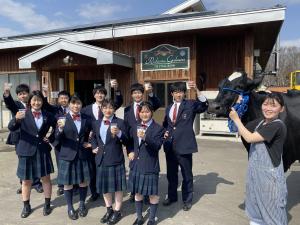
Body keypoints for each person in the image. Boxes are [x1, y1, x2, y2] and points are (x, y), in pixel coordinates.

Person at [229, 92, 288, 225]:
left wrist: (236, 119)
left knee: (273, 216)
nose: (268, 108)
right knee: (256, 215)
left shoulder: (277, 125)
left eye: (273, 106)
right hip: (255, 178)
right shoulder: (261, 123)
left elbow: (249, 138)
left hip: (270, 180)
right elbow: (235, 128)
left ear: (282, 109)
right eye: (265, 104)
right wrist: (238, 105)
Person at [7, 90, 56, 218]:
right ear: (30, 102)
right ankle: (26, 206)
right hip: (26, 151)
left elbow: (58, 127)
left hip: (42, 150)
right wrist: (16, 120)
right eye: (34, 100)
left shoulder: (48, 115)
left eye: (39, 100)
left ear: (42, 101)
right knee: (26, 181)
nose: (36, 102)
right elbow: (11, 127)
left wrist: (50, 138)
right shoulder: (23, 113)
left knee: (46, 179)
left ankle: (47, 204)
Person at [163, 81, 208, 211]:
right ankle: (172, 196)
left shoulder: (191, 104)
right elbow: (167, 124)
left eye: (181, 92)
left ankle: (187, 200)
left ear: (184, 93)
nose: (178, 94)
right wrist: (164, 133)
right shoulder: (169, 108)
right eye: (176, 92)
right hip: (170, 146)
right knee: (171, 174)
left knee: (186, 174)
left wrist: (196, 90)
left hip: (185, 145)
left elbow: (204, 105)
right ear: (172, 93)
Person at [82, 84, 123, 202]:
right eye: (97, 93)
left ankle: (106, 193)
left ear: (105, 95)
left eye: (102, 93)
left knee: (102, 169)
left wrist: (116, 89)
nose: (99, 95)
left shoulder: (109, 107)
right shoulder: (86, 109)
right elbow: (85, 127)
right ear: (94, 95)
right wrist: (90, 143)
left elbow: (119, 101)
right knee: (92, 170)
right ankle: (94, 192)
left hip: (109, 144)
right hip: (93, 143)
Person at [91, 99, 128, 225]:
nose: (108, 110)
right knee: (105, 188)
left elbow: (127, 140)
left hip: (115, 158)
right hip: (101, 159)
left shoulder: (120, 122)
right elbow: (94, 137)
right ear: (101, 109)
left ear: (114, 109)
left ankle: (117, 211)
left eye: (111, 108)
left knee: (118, 187)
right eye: (105, 107)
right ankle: (109, 210)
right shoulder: (96, 123)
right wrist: (94, 146)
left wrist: (119, 133)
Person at [55, 95, 93, 220]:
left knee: (83, 181)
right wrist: (60, 129)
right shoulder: (62, 118)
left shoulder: (87, 119)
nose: (76, 106)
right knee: (67, 184)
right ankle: (70, 207)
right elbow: (56, 138)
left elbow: (93, 132)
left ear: (81, 105)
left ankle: (82, 204)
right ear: (69, 105)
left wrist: (90, 142)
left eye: (78, 103)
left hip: (82, 154)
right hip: (67, 155)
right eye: (73, 103)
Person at [3, 83, 43, 194]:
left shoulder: (33, 104)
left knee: (35, 160)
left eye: (25, 93)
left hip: (33, 137)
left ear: (28, 94)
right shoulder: (16, 104)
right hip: (20, 138)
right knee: (23, 161)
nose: (23, 96)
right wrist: (6, 93)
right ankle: (24, 184)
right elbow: (9, 103)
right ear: (17, 96)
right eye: (20, 94)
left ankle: (36, 183)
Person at [124, 82, 161, 203]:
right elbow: (127, 132)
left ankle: (146, 194)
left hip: (147, 144)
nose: (137, 95)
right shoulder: (127, 110)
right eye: (134, 93)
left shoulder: (148, 106)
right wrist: (129, 150)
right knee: (134, 169)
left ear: (142, 93)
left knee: (145, 168)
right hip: (134, 144)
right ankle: (134, 192)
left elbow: (157, 104)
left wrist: (150, 92)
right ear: (131, 95)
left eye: (139, 92)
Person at [129, 102, 164, 225]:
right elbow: (129, 142)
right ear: (139, 113)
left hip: (150, 165)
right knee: (138, 193)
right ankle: (139, 217)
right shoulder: (134, 126)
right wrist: (130, 151)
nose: (145, 114)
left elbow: (157, 146)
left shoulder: (158, 128)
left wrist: (145, 138)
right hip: (136, 165)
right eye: (142, 112)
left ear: (152, 113)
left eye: (147, 111)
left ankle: (151, 219)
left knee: (152, 195)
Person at [42, 90, 73, 196]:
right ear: (58, 99)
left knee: (72, 163)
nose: (64, 100)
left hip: (71, 141)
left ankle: (73, 183)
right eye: (61, 98)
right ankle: (61, 186)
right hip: (58, 141)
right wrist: (45, 96)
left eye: (66, 98)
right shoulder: (55, 110)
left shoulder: (74, 109)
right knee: (61, 164)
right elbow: (45, 105)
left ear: (69, 99)